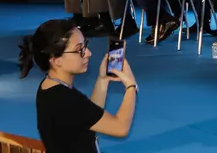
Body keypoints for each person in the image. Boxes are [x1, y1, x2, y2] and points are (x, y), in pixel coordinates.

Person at [18, 19, 138, 153]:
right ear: (56, 60)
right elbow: (120, 128)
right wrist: (131, 87)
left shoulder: (49, 86)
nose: (88, 53)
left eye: (85, 45)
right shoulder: (66, 99)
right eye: (79, 49)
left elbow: (88, 116)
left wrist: (102, 80)